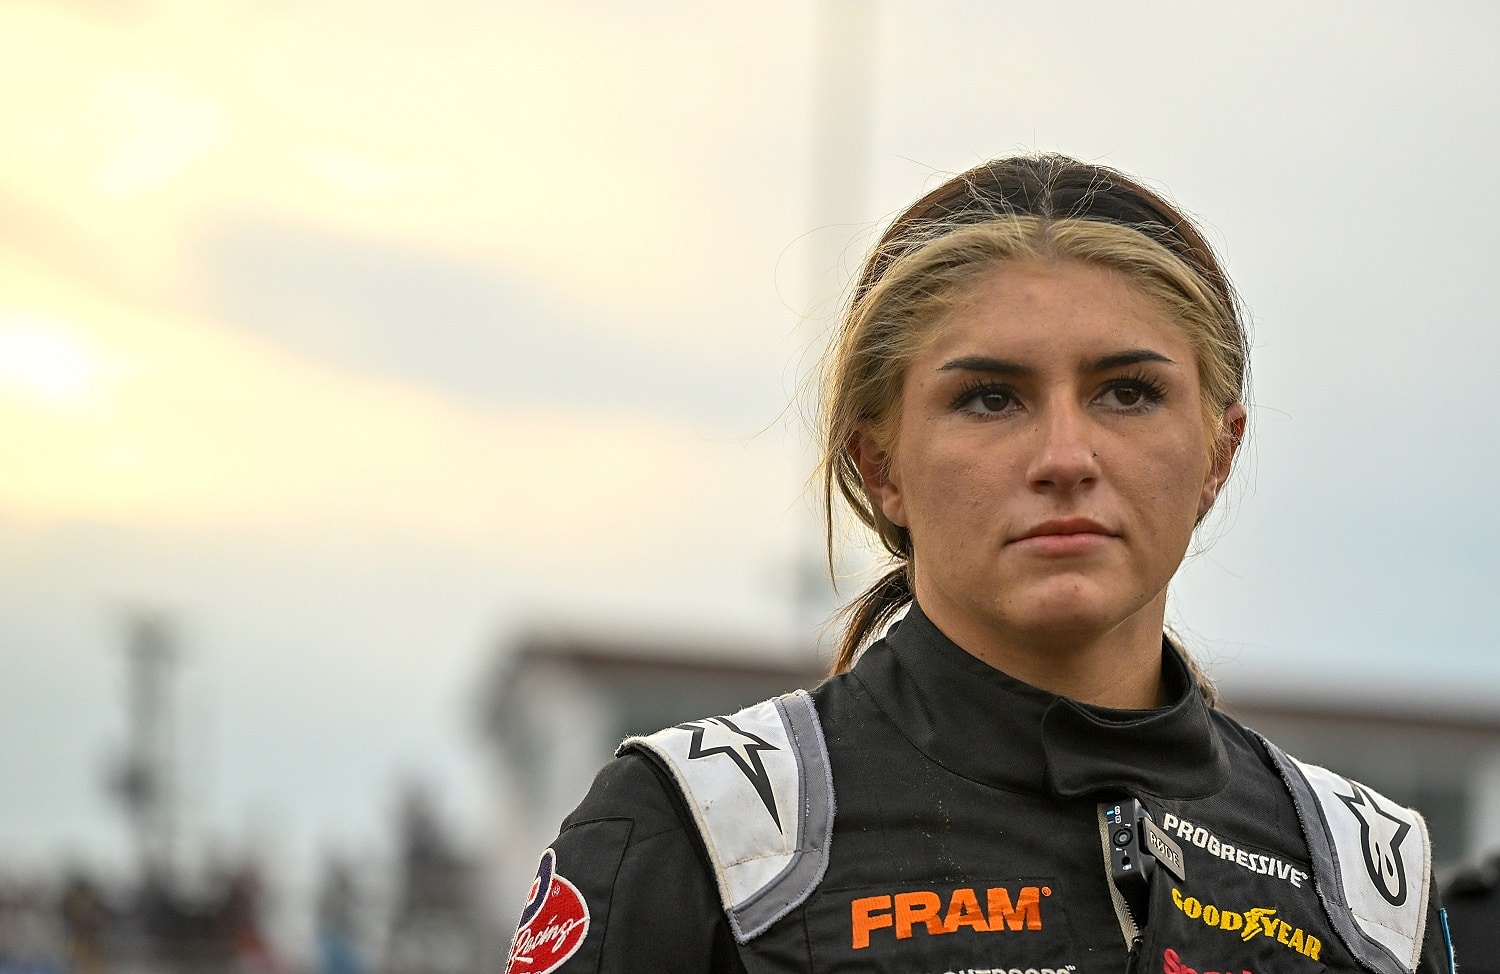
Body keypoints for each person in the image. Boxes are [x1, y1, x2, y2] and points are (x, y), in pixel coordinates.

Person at [502, 154, 1455, 973]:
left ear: (1218, 451)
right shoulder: (714, 829)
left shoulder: (1366, 886)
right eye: (991, 399)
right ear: (879, 466)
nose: (1065, 458)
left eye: (1127, 393)